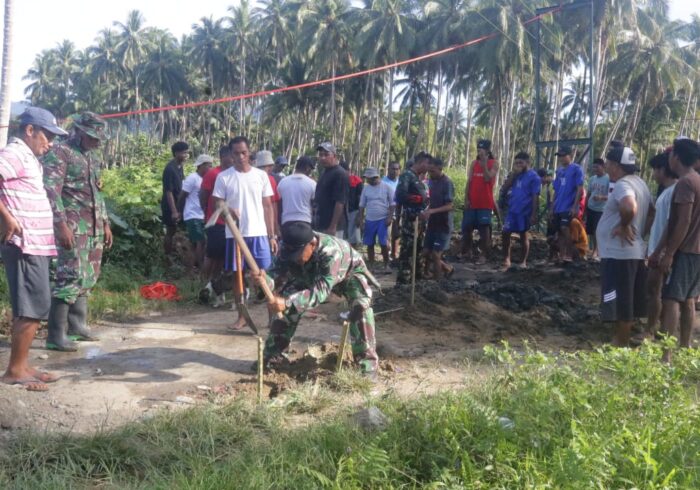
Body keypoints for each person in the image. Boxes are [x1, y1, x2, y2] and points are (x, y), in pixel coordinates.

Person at [253, 221, 380, 377]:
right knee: (286, 307)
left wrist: (287, 303)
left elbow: (320, 292)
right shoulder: (288, 247)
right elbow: (274, 275)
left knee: (360, 307)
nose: (294, 259)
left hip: (348, 275)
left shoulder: (331, 252)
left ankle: (367, 365)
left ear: (312, 244)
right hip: (308, 275)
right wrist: (263, 281)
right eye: (291, 255)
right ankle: (273, 356)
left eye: (298, 255)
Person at [0, 107, 67, 391]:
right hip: (24, 244)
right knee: (32, 307)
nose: (50, 143)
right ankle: (15, 370)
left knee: (32, 306)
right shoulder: (14, 153)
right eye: (47, 136)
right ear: (30, 130)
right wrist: (6, 218)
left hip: (36, 244)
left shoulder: (28, 158)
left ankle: (23, 365)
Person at [42, 112, 112, 352]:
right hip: (72, 227)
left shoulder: (92, 157)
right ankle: (56, 335)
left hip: (93, 227)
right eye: (92, 136)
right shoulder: (60, 152)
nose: (97, 142)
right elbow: (51, 191)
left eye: (99, 138)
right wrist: (60, 225)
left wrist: (105, 223)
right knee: (69, 276)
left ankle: (77, 326)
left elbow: (96, 193)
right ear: (79, 131)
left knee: (88, 275)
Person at [213, 136, 277, 331]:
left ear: (249, 153)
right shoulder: (224, 177)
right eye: (236, 153)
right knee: (237, 276)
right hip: (235, 234)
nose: (240, 157)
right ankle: (242, 316)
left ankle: (273, 315)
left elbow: (268, 206)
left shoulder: (261, 176)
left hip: (258, 233)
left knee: (264, 274)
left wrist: (272, 235)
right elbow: (217, 202)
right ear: (231, 155)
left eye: (244, 152)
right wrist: (227, 210)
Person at [597, 146, 653, 347]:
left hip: (619, 254)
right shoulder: (640, 183)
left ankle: (621, 343)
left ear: (615, 165)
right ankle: (620, 339)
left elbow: (629, 206)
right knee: (627, 297)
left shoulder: (623, 185)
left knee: (621, 299)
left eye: (608, 164)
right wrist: (640, 233)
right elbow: (652, 212)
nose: (607, 167)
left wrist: (624, 225)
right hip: (631, 251)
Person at [650, 138, 700, 361]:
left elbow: (682, 221)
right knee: (688, 298)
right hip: (696, 250)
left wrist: (668, 253)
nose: (669, 157)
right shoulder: (697, 180)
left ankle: (666, 356)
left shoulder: (685, 183)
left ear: (677, 157)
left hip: (685, 250)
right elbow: (674, 222)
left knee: (671, 299)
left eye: (671, 154)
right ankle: (685, 346)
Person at [639, 150, 677, 342]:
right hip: (657, 248)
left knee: (654, 290)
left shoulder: (673, 192)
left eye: (654, 170)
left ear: (663, 170)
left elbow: (671, 225)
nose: (653, 174)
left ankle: (650, 330)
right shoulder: (666, 191)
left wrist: (659, 251)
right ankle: (660, 329)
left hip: (661, 251)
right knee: (656, 291)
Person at [199, 146, 234, 307]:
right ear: (223, 157)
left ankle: (215, 287)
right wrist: (208, 213)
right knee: (212, 256)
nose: (233, 159)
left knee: (223, 259)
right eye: (231, 155)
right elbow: (203, 195)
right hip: (216, 223)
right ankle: (205, 285)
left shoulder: (233, 174)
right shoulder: (213, 174)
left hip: (230, 224)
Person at [394, 152, 431, 285]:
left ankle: (416, 281)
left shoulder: (417, 178)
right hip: (411, 221)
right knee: (408, 252)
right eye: (428, 164)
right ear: (422, 162)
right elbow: (400, 195)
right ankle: (403, 282)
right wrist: (417, 199)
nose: (428, 168)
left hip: (420, 222)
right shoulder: (407, 175)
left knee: (418, 251)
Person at [461, 139, 499, 264]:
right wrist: (466, 199)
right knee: (467, 228)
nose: (479, 152)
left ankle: (484, 255)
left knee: (484, 230)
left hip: (485, 203)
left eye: (481, 150)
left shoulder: (494, 163)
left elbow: (488, 178)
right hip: (472, 202)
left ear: (487, 151)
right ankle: (468, 252)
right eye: (478, 150)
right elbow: (469, 182)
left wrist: (484, 166)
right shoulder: (474, 163)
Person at [502, 152, 541, 270]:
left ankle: (523, 261)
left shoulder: (534, 177)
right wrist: (513, 175)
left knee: (523, 235)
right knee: (505, 232)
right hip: (512, 209)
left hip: (524, 211)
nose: (518, 165)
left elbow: (535, 196)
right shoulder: (515, 175)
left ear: (528, 162)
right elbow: (505, 188)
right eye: (516, 163)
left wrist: (533, 214)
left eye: (521, 162)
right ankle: (506, 260)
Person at [421, 158, 455, 280]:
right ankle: (446, 269)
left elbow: (450, 206)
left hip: (443, 224)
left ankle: (438, 282)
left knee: (436, 254)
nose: (430, 173)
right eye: (429, 171)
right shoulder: (430, 181)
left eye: (433, 171)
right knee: (426, 252)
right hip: (432, 223)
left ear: (440, 169)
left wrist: (432, 211)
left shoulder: (447, 183)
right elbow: (430, 199)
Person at [179, 154, 212, 274]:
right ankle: (201, 268)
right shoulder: (192, 178)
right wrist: (179, 211)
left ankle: (191, 269)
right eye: (208, 166)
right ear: (201, 166)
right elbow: (182, 195)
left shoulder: (206, 179)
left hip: (202, 215)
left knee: (197, 243)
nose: (210, 168)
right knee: (200, 241)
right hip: (192, 215)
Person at [356, 167, 394, 270]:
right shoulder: (366, 188)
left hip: (383, 219)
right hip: (370, 219)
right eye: (367, 178)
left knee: (383, 243)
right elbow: (362, 205)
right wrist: (361, 220)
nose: (368, 180)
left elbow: (392, 204)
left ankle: (386, 264)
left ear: (376, 177)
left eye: (370, 178)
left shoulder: (386, 187)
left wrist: (390, 217)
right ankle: (371, 265)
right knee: (370, 243)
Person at [551, 145, 584, 263]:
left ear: (570, 156)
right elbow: (556, 189)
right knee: (559, 231)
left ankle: (571, 254)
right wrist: (552, 207)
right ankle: (562, 255)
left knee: (565, 228)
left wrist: (575, 206)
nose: (561, 158)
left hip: (569, 205)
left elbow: (580, 188)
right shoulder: (559, 171)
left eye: (563, 155)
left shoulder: (577, 169)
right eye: (559, 156)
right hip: (558, 206)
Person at [161, 141, 189, 263]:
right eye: (184, 153)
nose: (186, 155)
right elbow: (168, 192)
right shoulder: (169, 169)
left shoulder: (179, 166)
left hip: (178, 202)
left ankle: (174, 255)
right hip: (170, 205)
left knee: (174, 231)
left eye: (187, 152)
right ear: (176, 153)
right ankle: (167, 257)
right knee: (170, 231)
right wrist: (174, 211)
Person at [313, 142, 348, 237]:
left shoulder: (340, 174)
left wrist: (333, 226)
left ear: (334, 156)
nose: (323, 158)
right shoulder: (324, 172)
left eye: (326, 155)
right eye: (321, 155)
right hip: (321, 223)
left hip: (332, 227)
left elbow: (340, 201)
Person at [277, 156, 316, 225]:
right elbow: (314, 204)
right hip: (305, 221)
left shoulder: (283, 182)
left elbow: (278, 203)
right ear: (307, 168)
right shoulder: (312, 183)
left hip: (286, 222)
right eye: (311, 169)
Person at [584, 158, 609, 259]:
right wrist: (585, 208)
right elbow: (588, 194)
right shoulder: (592, 179)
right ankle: (592, 249)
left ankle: (596, 250)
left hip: (601, 209)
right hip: (591, 207)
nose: (595, 169)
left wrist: (601, 197)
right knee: (590, 230)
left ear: (603, 167)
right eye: (594, 167)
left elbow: (612, 195)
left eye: (597, 167)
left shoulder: (608, 179)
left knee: (597, 230)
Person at [254, 150, 281, 239]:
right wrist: (275, 229)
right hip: (265, 225)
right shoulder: (269, 180)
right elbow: (273, 206)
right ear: (268, 166)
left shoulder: (248, 177)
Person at [382, 162, 401, 261]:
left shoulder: (401, 182)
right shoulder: (383, 182)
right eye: (393, 169)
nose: (395, 171)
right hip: (386, 212)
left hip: (398, 212)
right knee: (386, 236)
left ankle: (394, 255)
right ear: (388, 169)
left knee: (396, 235)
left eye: (397, 169)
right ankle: (386, 259)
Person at [343, 161, 364, 248]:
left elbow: (361, 198)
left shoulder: (356, 180)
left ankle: (353, 248)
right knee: (345, 231)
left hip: (353, 209)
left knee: (353, 231)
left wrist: (359, 214)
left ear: (348, 170)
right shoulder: (339, 180)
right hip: (343, 210)